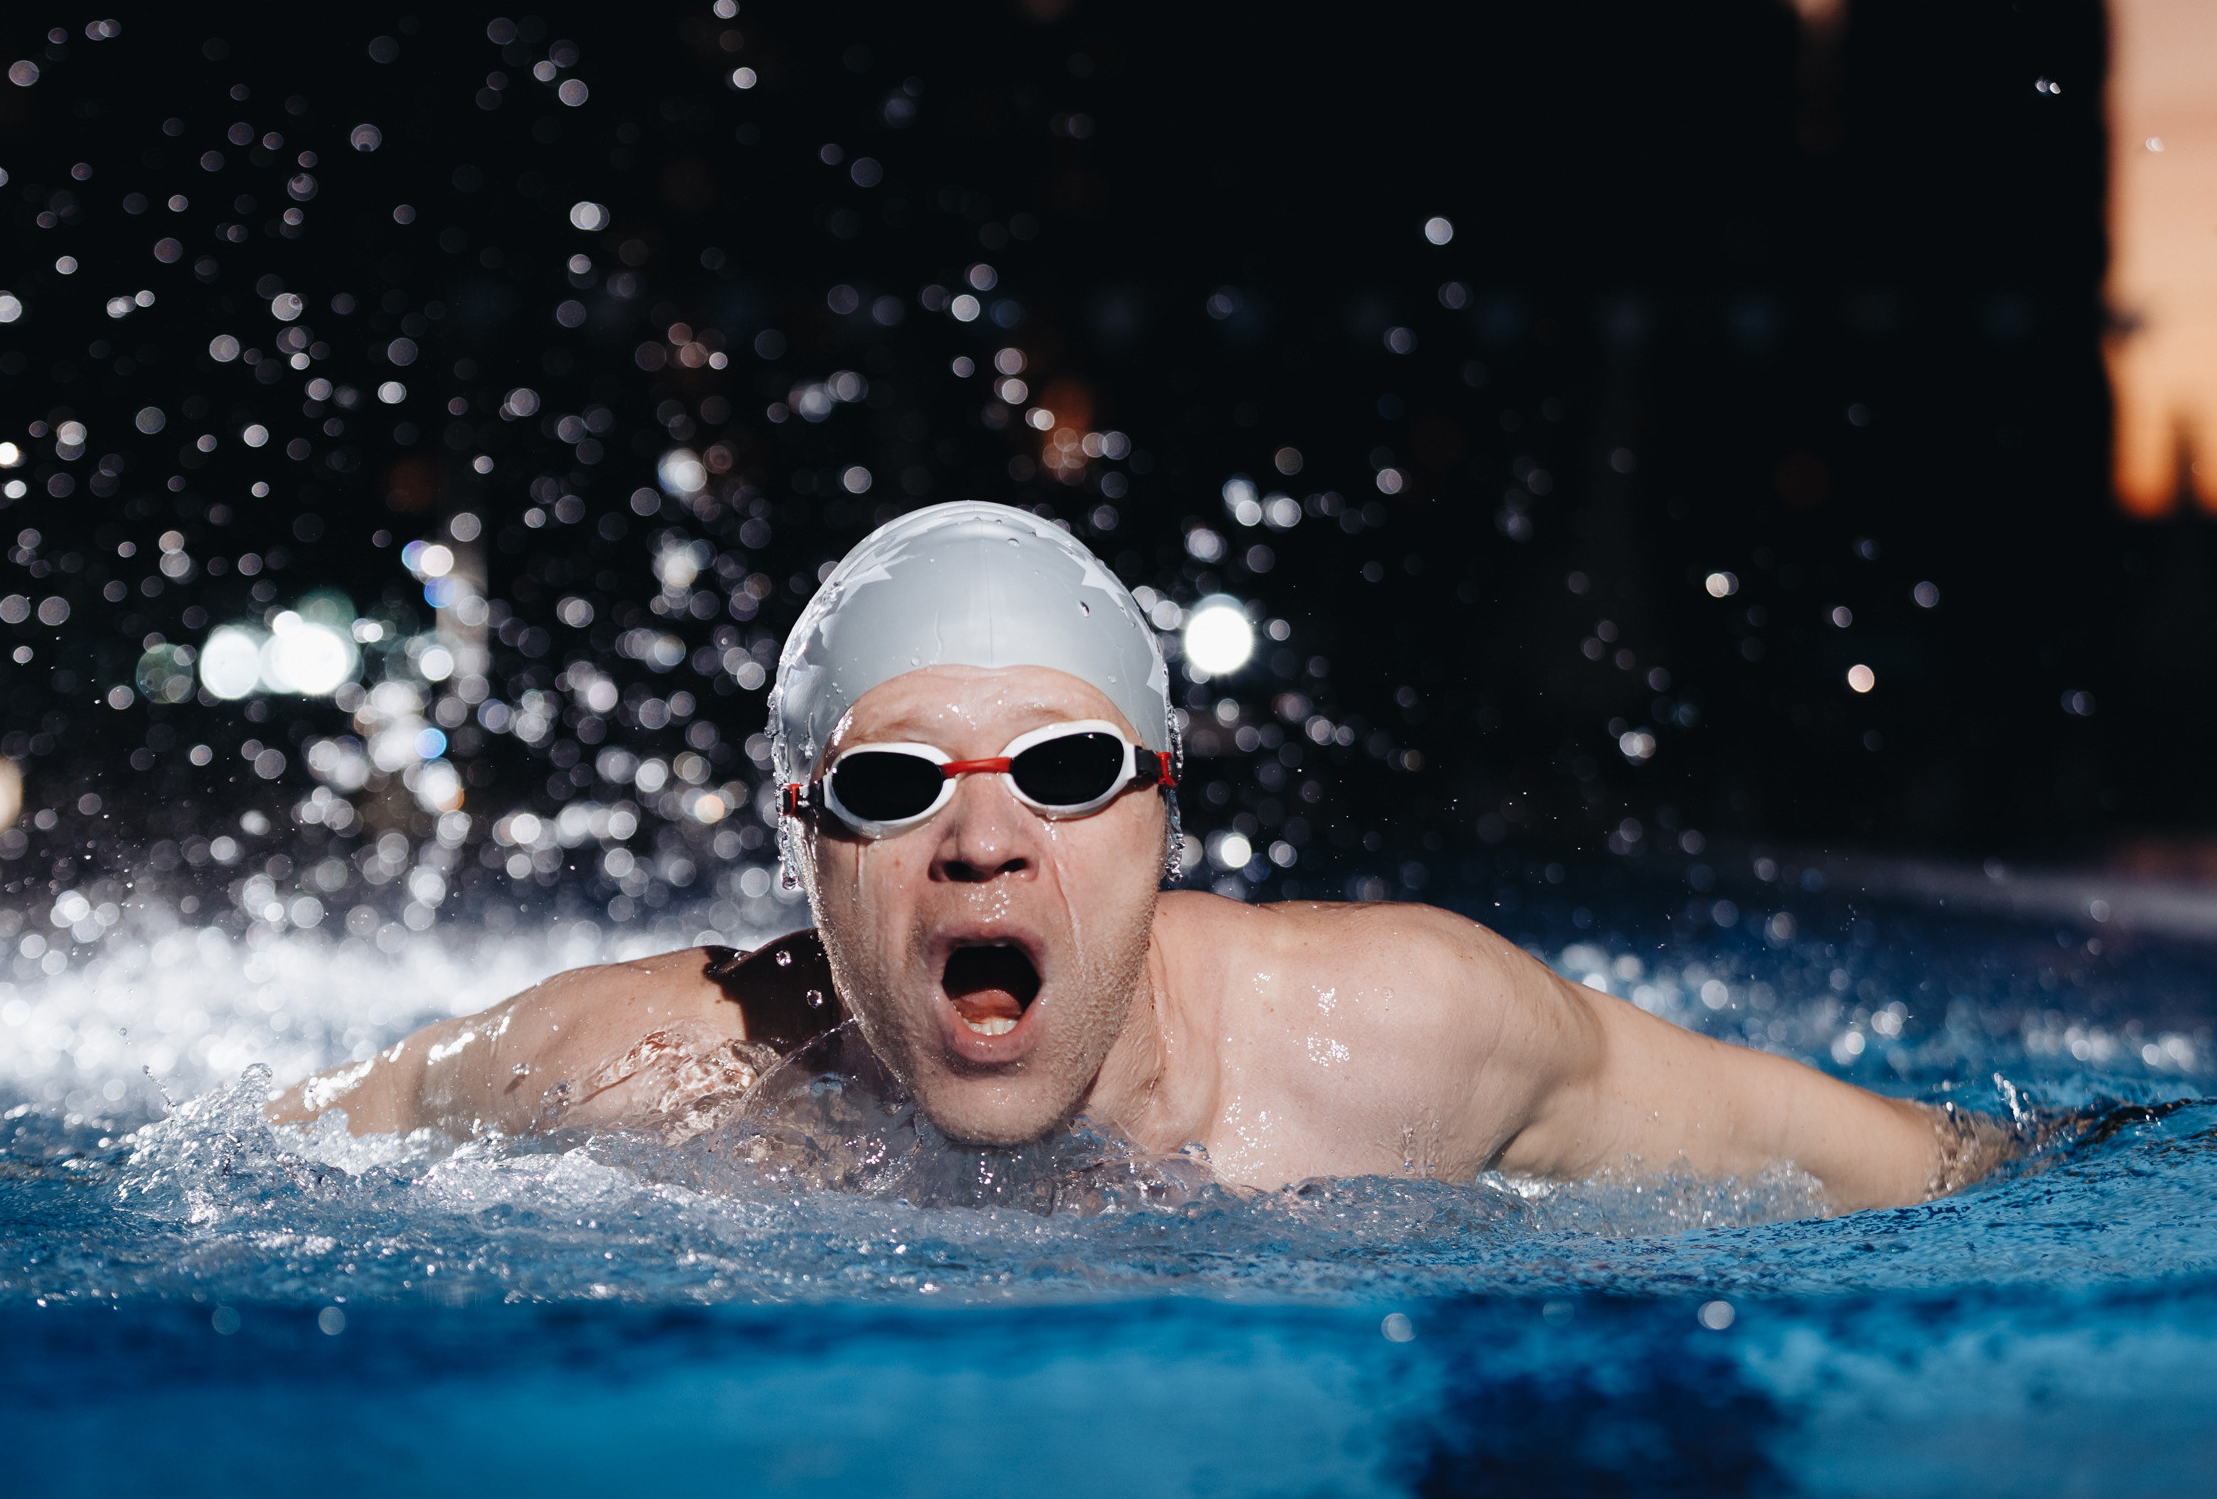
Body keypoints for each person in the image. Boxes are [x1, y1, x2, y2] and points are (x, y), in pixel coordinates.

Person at [271, 501, 2006, 1207]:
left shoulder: (1400, 1037)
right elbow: (234, 1159)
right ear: (798, 842)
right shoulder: (627, 1069)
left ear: (1166, 807)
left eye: (1068, 767)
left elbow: (1874, 1157)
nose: (980, 841)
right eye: (890, 790)